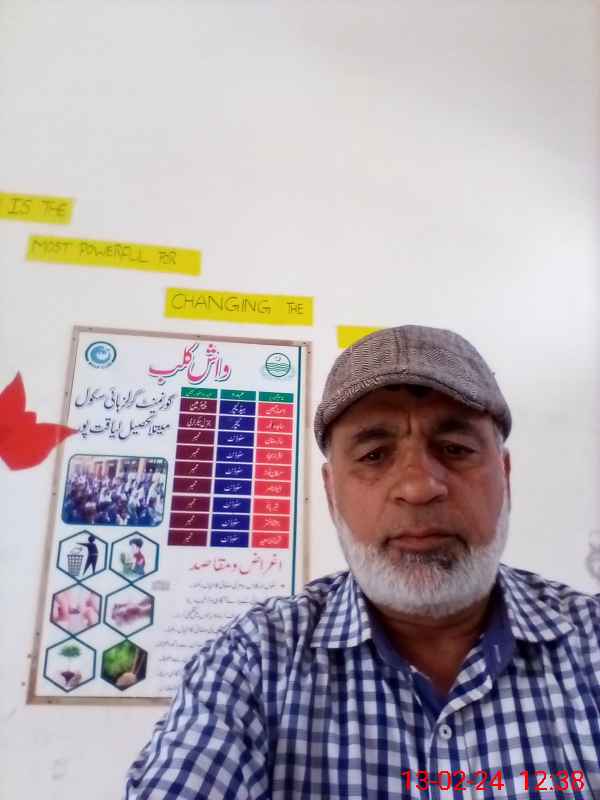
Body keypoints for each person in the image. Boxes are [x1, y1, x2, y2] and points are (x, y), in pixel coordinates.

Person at [124, 325, 600, 799]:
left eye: (455, 449)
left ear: (505, 475)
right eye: (374, 455)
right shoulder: (253, 663)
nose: (418, 487)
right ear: (332, 493)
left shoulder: (591, 643)